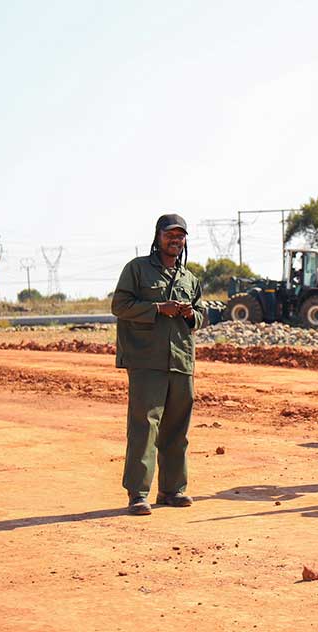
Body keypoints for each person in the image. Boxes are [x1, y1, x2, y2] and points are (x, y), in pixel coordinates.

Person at [112, 214, 205, 515]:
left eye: (180, 236)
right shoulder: (137, 269)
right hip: (146, 360)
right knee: (144, 427)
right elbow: (120, 306)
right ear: (158, 237)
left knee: (177, 429)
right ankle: (138, 494)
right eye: (170, 235)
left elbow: (202, 314)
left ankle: (173, 490)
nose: (175, 240)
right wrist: (157, 309)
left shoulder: (189, 278)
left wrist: (192, 314)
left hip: (181, 360)